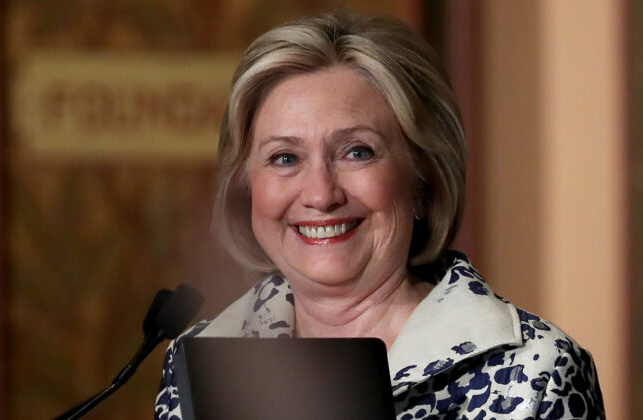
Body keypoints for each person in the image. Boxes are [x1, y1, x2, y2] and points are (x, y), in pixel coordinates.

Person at [155, 10, 604, 419]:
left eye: (356, 151)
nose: (320, 194)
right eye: (285, 158)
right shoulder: (195, 360)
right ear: (246, 187)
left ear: (423, 181)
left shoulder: (538, 373)